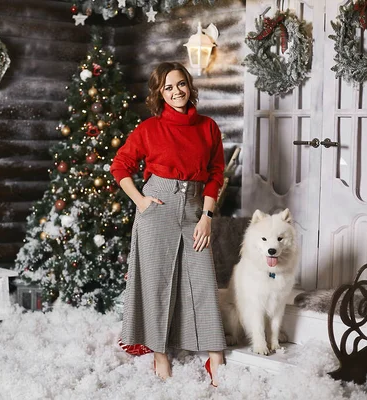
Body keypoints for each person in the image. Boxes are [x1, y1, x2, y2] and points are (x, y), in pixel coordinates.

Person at [110, 62, 226, 386]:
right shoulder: (149, 129)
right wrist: (140, 200)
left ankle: (215, 355)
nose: (176, 92)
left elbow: (216, 174)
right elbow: (120, 165)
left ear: (190, 86)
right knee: (156, 282)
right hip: (157, 206)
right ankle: (160, 354)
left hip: (194, 207)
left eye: (181, 85)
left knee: (203, 280)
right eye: (168, 88)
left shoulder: (208, 127)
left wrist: (207, 216)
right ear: (160, 93)